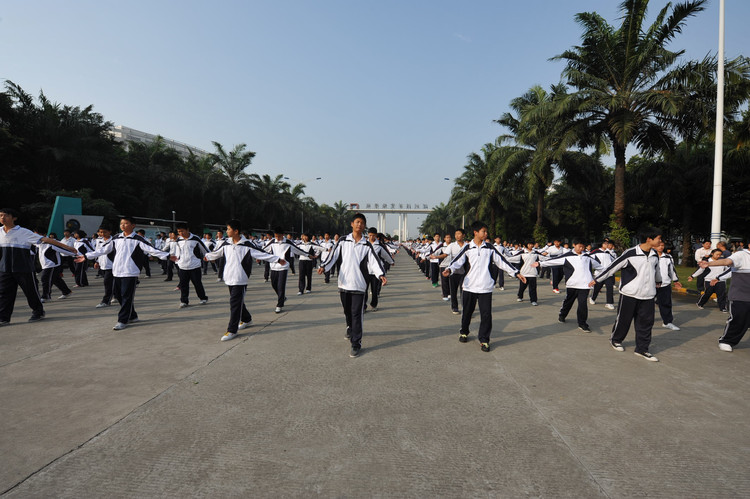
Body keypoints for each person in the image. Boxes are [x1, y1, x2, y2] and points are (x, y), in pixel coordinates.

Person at [442, 221, 525, 352]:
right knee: (467, 312)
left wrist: (516, 272)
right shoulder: (468, 247)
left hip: (485, 287)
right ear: (476, 233)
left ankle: (484, 339)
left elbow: (502, 262)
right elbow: (457, 261)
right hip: (469, 286)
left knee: (486, 315)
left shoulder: (490, 248)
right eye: (483, 231)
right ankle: (464, 331)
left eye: (486, 232)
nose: (486, 234)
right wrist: (449, 269)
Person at [76, 216, 171, 330]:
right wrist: (87, 256)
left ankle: (122, 320)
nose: (123, 225)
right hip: (117, 271)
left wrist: (168, 256)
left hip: (130, 271)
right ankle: (132, 316)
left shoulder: (138, 239)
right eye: (122, 223)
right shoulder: (116, 238)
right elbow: (103, 250)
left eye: (126, 223)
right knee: (119, 296)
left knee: (126, 296)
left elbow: (152, 250)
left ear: (133, 225)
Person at [590, 227, 663, 362]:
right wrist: (597, 279)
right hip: (629, 293)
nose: (660, 241)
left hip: (648, 295)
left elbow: (656, 270)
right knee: (624, 319)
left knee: (646, 323)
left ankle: (642, 349)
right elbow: (613, 267)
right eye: (658, 238)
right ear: (649, 239)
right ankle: (616, 340)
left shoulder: (654, 255)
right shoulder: (630, 253)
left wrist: (658, 281)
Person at [204, 220, 285, 341]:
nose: (226, 231)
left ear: (236, 231)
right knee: (237, 301)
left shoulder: (246, 245)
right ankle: (246, 319)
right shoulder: (226, 243)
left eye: (228, 229)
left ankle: (232, 330)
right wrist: (207, 256)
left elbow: (262, 254)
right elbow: (217, 253)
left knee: (234, 303)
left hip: (240, 278)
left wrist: (277, 259)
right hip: (229, 277)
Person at [318, 213, 386, 357]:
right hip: (344, 284)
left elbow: (374, 262)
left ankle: (356, 343)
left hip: (359, 285)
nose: (359, 225)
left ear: (364, 226)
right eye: (357, 222)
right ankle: (350, 328)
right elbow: (333, 256)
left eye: (362, 223)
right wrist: (324, 266)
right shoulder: (343, 241)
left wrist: (381, 275)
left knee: (357, 314)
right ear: (352, 224)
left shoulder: (366, 245)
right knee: (347, 311)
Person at [0, 208, 77, 325]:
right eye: (0, 216)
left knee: (30, 291)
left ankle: (38, 312)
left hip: (23, 269)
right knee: (5, 294)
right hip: (5, 269)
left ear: (14, 218)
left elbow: (46, 239)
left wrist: (68, 247)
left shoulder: (24, 232)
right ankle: (4, 317)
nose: (2, 218)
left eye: (5, 215)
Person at [535, 240, 602, 333]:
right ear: (574, 245)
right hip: (572, 284)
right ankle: (562, 315)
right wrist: (540, 263)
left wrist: (600, 276)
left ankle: (582, 323)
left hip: (585, 285)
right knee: (569, 301)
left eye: (583, 247)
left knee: (582, 304)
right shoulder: (568, 256)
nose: (581, 249)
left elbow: (600, 267)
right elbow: (553, 261)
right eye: (579, 246)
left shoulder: (587, 257)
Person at [700, 241, 750, 351]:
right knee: (739, 319)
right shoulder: (741, 255)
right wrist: (709, 264)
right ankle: (727, 340)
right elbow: (727, 262)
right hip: (741, 295)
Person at [263, 228, 312, 313]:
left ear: (283, 235)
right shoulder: (273, 242)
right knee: (274, 284)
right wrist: (258, 257)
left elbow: (298, 250)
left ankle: (279, 304)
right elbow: (264, 249)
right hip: (273, 266)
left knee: (281, 286)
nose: (277, 238)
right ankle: (282, 297)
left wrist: (307, 255)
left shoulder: (288, 243)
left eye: (278, 236)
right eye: (275, 236)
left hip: (283, 267)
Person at [174, 223, 209, 308]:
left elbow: (204, 249)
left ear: (187, 230)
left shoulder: (195, 239)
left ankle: (203, 298)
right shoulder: (179, 240)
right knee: (183, 284)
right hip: (182, 266)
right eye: (179, 232)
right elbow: (177, 252)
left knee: (197, 283)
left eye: (182, 231)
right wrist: (177, 262)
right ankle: (184, 301)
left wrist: (209, 257)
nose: (181, 233)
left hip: (195, 266)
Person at [35, 230, 75, 303]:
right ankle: (66, 292)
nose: (35, 237)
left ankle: (46, 296)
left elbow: (63, 249)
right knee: (56, 279)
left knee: (45, 279)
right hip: (45, 265)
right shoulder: (39, 242)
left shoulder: (52, 243)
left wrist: (76, 255)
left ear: (44, 235)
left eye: (37, 235)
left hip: (52, 265)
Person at [654, 241, 683, 330]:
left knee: (666, 303)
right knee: (646, 304)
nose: (661, 247)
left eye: (662, 245)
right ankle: (644, 321)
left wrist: (675, 280)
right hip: (651, 284)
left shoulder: (668, 257)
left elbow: (671, 269)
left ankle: (667, 322)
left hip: (665, 284)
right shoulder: (649, 256)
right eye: (658, 245)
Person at [364, 228, 395, 312]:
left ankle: (373, 305)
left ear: (376, 235)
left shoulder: (379, 245)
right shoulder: (364, 244)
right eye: (370, 235)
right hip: (365, 270)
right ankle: (363, 306)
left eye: (373, 235)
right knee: (364, 289)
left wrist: (391, 261)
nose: (371, 237)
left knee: (374, 290)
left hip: (376, 271)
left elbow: (385, 254)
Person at [505, 241, 543, 306]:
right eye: (529, 244)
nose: (531, 245)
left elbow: (544, 258)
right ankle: (520, 296)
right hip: (524, 273)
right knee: (522, 286)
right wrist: (504, 258)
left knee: (533, 288)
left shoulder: (535, 253)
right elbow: (513, 258)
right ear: (526, 245)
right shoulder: (522, 253)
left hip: (533, 273)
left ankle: (533, 300)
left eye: (532, 244)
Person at [444, 228, 468, 314]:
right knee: (453, 291)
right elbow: (445, 254)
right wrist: (436, 257)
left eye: (459, 234)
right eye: (456, 234)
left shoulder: (467, 246)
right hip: (453, 272)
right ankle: (454, 307)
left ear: (463, 235)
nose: (457, 236)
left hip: (464, 272)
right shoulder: (452, 245)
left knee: (464, 291)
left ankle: (465, 309)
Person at [589, 239, 617, 309]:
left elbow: (614, 260)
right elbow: (588, 258)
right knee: (597, 288)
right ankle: (592, 298)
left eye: (607, 243)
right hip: (599, 273)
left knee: (610, 287)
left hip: (608, 273)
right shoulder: (595, 252)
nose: (607, 245)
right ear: (602, 244)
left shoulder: (608, 253)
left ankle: (609, 303)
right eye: (605, 243)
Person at [93, 226, 115, 308]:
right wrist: (97, 261)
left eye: (105, 232)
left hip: (112, 265)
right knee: (111, 283)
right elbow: (97, 251)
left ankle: (106, 301)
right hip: (103, 264)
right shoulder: (99, 240)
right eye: (101, 232)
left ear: (110, 232)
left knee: (107, 283)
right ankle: (116, 296)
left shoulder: (114, 241)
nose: (102, 234)